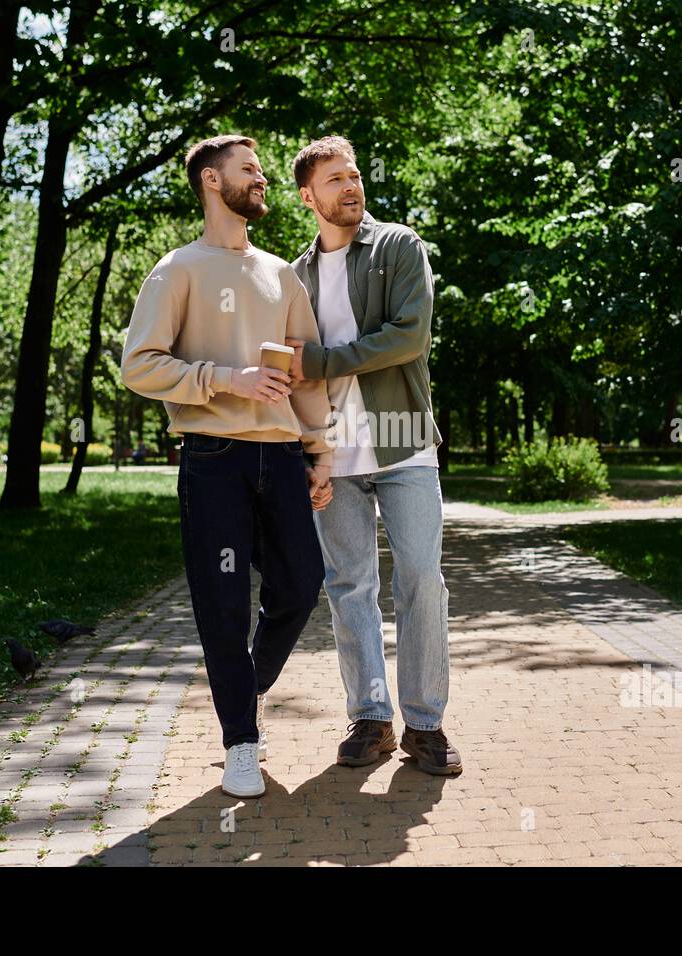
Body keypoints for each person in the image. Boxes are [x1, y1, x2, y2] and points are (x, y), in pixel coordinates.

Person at [121, 134, 335, 798]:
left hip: (279, 453)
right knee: (222, 603)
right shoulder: (177, 269)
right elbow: (140, 366)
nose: (261, 177)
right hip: (212, 458)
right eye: (248, 169)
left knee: (302, 583)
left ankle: (244, 688)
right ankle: (241, 738)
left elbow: (305, 372)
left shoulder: (282, 274)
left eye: (262, 169)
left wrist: (319, 451)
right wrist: (225, 379)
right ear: (212, 182)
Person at [286, 136, 461, 776]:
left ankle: (425, 726)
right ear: (309, 196)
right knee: (349, 587)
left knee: (421, 580)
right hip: (332, 456)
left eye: (355, 175)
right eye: (335, 179)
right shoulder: (295, 277)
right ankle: (371, 718)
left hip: (404, 444)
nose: (351, 186)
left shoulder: (398, 248)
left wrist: (325, 359)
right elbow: (293, 374)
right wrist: (309, 451)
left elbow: (407, 338)